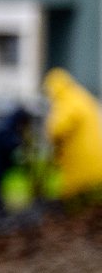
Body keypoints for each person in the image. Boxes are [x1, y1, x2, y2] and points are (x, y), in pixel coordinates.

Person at [43, 67, 102, 200]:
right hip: (96, 166)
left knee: (76, 210)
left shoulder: (68, 101)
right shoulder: (82, 96)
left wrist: (49, 131)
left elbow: (57, 129)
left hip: (80, 168)